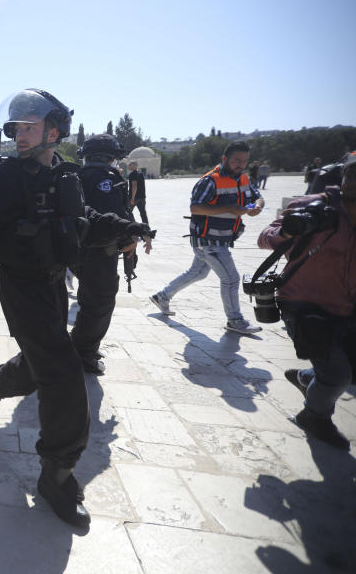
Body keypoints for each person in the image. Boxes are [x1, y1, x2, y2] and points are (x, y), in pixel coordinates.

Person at [0, 88, 153, 527]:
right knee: (62, 374)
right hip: (22, 288)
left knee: (42, 363)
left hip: (55, 284)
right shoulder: (7, 177)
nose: (19, 135)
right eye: (16, 127)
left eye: (29, 127)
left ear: (54, 131)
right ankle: (56, 474)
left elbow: (86, 222)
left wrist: (128, 227)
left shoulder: (67, 176)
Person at [258, 153, 356, 451]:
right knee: (337, 375)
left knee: (349, 368)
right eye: (352, 177)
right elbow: (267, 237)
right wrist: (288, 230)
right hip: (303, 302)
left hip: (348, 305)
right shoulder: (317, 208)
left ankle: (306, 377)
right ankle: (314, 417)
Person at [150, 141, 265, 334]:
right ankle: (235, 320)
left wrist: (258, 206)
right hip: (208, 240)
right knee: (231, 278)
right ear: (224, 159)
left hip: (221, 239)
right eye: (237, 160)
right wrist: (228, 208)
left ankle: (162, 297)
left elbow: (257, 196)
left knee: (198, 273)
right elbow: (196, 207)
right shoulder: (210, 181)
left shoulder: (243, 179)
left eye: (244, 161)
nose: (241, 164)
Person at [71, 135, 149, 374]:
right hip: (99, 250)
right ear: (112, 158)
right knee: (100, 301)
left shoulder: (80, 176)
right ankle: (82, 352)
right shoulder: (105, 178)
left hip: (80, 249)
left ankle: (84, 345)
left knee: (91, 299)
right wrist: (129, 238)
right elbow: (115, 214)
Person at [127, 161, 148, 225]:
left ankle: (131, 226)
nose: (128, 166)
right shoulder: (141, 173)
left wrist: (132, 198)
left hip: (134, 198)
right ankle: (147, 228)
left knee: (128, 213)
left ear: (134, 166)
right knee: (143, 213)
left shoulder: (132, 174)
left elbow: (134, 186)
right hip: (142, 197)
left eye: (130, 165)